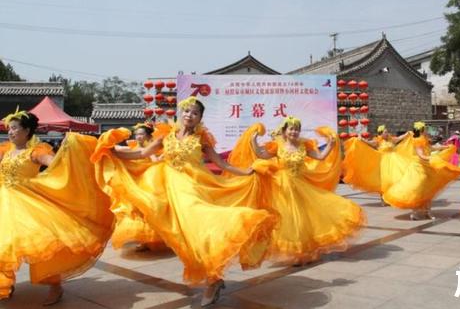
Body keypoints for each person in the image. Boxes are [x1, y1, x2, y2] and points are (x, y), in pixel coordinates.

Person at [91, 97, 277, 307]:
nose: (190, 115)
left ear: (199, 118)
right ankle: (213, 279)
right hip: (167, 190)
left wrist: (247, 171)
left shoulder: (202, 140)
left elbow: (221, 163)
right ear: (181, 113)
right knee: (184, 241)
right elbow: (142, 153)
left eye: (195, 113)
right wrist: (112, 151)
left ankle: (213, 278)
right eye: (187, 111)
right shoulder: (165, 135)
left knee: (201, 233)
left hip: (194, 190)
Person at [0, 108, 114, 305]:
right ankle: (4, 284)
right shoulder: (4, 151)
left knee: (44, 247)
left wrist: (68, 152)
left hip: (28, 205)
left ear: (27, 131)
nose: (10, 132)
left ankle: (55, 286)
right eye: (9, 129)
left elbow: (55, 164)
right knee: (4, 246)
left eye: (15, 128)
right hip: (4, 202)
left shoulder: (35, 152)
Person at [223, 117, 365, 264]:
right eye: (291, 128)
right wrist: (253, 141)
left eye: (297, 129)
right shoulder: (277, 146)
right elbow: (261, 155)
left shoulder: (303, 146)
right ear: (285, 131)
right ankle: (295, 253)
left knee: (303, 219)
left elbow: (320, 156)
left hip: (300, 185)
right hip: (282, 187)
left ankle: (303, 251)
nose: (294, 132)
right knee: (289, 220)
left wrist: (331, 144)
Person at [382, 121, 460, 220]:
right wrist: (430, 158)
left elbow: (431, 147)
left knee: (428, 189)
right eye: (425, 129)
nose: (426, 130)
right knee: (418, 189)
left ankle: (427, 212)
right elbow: (420, 154)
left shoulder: (424, 139)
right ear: (422, 130)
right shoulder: (417, 140)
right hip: (418, 167)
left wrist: (445, 147)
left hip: (427, 166)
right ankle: (415, 212)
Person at [110, 122, 165, 252]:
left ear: (147, 136)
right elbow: (117, 149)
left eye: (141, 134)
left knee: (144, 208)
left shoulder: (147, 148)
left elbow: (154, 161)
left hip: (145, 181)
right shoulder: (133, 147)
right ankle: (142, 238)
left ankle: (146, 239)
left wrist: (161, 158)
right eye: (136, 134)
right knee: (133, 209)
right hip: (133, 181)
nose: (138, 136)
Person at [342, 125, 410, 206]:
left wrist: (407, 134)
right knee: (383, 182)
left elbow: (399, 138)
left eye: (387, 132)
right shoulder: (378, 141)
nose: (387, 133)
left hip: (394, 163)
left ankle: (392, 198)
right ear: (380, 134)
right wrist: (361, 139)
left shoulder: (391, 139)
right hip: (383, 164)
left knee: (394, 180)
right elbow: (368, 143)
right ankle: (383, 200)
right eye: (385, 132)